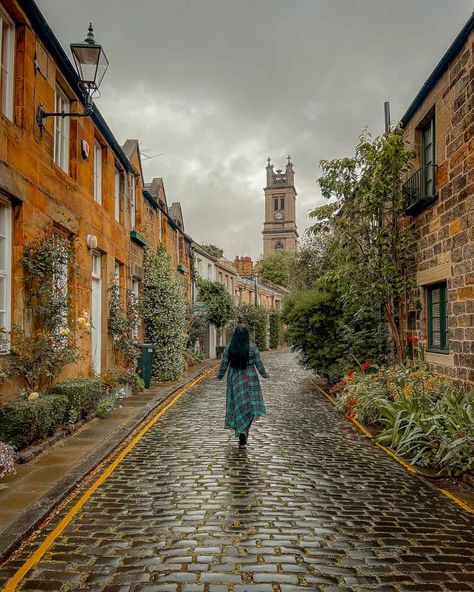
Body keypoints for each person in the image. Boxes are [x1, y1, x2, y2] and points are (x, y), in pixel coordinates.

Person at [217, 324, 269, 447]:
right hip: (250, 378)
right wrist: (264, 374)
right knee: (250, 407)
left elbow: (224, 364)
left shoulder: (229, 348)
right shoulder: (253, 347)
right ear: (247, 335)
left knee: (238, 405)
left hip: (235, 379)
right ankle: (245, 431)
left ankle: (241, 431)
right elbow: (258, 363)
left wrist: (220, 376)